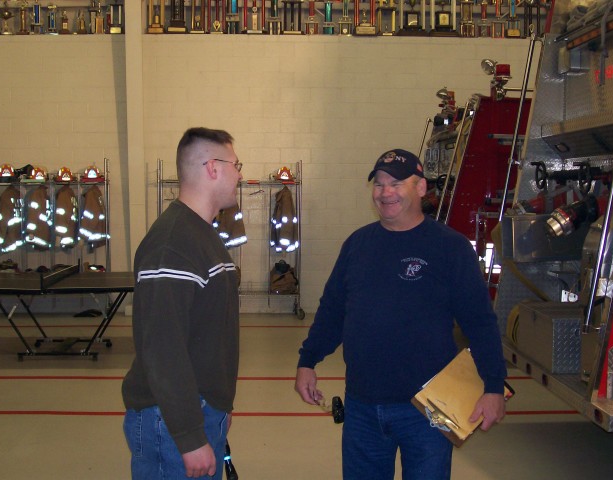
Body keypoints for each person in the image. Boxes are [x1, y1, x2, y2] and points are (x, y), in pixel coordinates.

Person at [294, 148, 507, 480]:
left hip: (426, 410)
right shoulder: (357, 245)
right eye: (379, 184)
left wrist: (493, 385)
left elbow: (480, 321)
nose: (385, 193)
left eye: (396, 183)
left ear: (420, 188)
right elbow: (333, 309)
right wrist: (308, 360)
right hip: (362, 405)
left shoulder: (450, 248)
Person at [122, 127, 243, 479]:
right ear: (213, 168)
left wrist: (220, 407)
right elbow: (163, 348)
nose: (239, 175)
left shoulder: (201, 234)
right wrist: (190, 436)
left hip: (200, 410)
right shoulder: (173, 244)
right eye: (236, 165)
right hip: (170, 421)